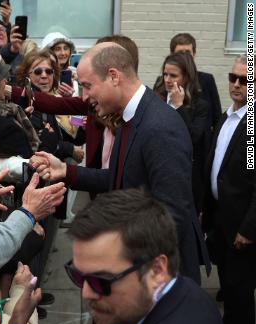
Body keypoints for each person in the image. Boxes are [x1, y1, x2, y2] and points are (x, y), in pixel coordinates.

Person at [34, 42, 210, 284]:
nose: (85, 97)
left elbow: (172, 217)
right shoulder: (130, 118)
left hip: (157, 278)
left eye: (87, 86)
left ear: (114, 76)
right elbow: (120, 178)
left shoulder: (159, 127)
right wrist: (65, 171)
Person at [65, 188, 228, 324]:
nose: (86, 293)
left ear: (157, 270)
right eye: (78, 276)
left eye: (100, 281)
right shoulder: (194, 296)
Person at [202, 54, 255, 324]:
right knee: (227, 281)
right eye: (233, 78)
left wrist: (249, 229)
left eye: (244, 80)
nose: (236, 85)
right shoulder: (227, 116)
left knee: (240, 286)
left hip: (241, 224)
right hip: (220, 217)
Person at [153, 52, 212, 212]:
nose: (167, 79)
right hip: (157, 172)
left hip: (184, 178)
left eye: (173, 75)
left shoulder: (201, 106)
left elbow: (192, 137)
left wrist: (179, 107)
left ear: (186, 77)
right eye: (165, 74)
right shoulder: (156, 99)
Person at [169, 33, 222, 131]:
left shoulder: (207, 80)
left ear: (194, 54)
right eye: (180, 52)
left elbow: (217, 116)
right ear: (172, 54)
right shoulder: (164, 81)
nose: (185, 57)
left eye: (188, 52)